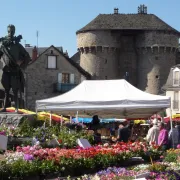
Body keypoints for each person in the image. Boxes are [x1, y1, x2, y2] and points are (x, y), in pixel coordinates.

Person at [0, 25, 31, 112]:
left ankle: (16, 108)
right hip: (6, 70)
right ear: (7, 31)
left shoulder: (17, 45)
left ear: (14, 32)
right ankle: (5, 107)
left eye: (12, 31)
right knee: (6, 90)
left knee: (15, 90)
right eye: (9, 31)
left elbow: (27, 57)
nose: (10, 33)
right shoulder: (3, 45)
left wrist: (21, 64)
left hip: (15, 70)